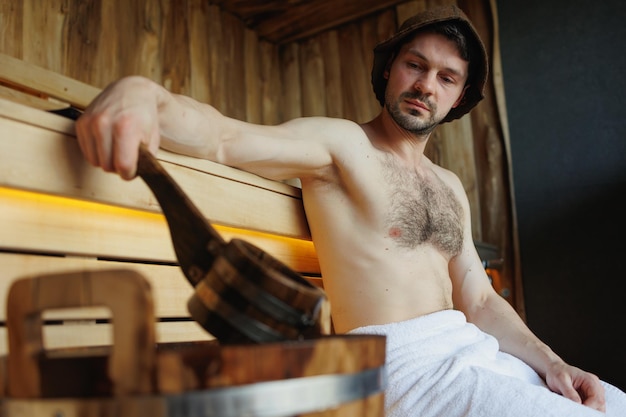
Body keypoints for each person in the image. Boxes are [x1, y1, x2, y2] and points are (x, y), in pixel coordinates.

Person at [75, 5, 626, 417]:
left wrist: (552, 364)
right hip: (403, 373)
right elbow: (223, 137)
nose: (425, 86)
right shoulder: (342, 147)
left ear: (457, 99)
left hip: (475, 355)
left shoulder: (449, 185)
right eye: (415, 65)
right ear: (389, 70)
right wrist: (143, 94)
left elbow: (479, 300)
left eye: (446, 78)